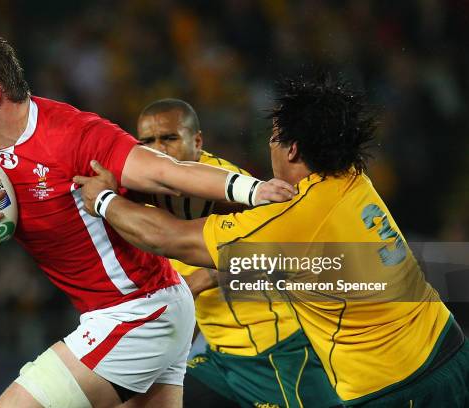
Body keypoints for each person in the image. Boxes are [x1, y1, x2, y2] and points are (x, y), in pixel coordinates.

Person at [0, 30, 296, 408]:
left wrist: (254, 190)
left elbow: (165, 171)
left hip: (139, 313)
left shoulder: (72, 134)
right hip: (143, 311)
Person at [75, 74, 469, 407]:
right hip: (447, 345)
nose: (157, 150)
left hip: (390, 383)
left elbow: (170, 238)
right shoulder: (352, 177)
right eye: (146, 142)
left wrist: (103, 201)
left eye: (275, 137)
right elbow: (307, 270)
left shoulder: (282, 213)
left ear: (293, 148)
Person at [135, 98, 341, 408]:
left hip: (276, 351)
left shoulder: (229, 188)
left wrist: (202, 280)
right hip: (219, 357)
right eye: (148, 141)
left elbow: (281, 249)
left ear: (197, 141)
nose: (159, 150)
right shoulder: (149, 192)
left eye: (170, 138)